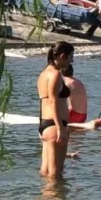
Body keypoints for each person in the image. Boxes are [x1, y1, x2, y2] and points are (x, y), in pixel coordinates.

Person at [36, 41, 75, 179]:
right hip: (55, 125)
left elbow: (43, 101)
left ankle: (44, 194)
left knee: (45, 172)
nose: (72, 61)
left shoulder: (43, 74)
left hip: (45, 124)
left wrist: (41, 127)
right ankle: (55, 194)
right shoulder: (55, 74)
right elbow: (53, 101)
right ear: (62, 56)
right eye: (71, 57)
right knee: (55, 175)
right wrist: (60, 128)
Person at [62, 58, 89, 125]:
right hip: (84, 115)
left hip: (73, 115)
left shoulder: (67, 84)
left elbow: (60, 101)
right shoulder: (79, 82)